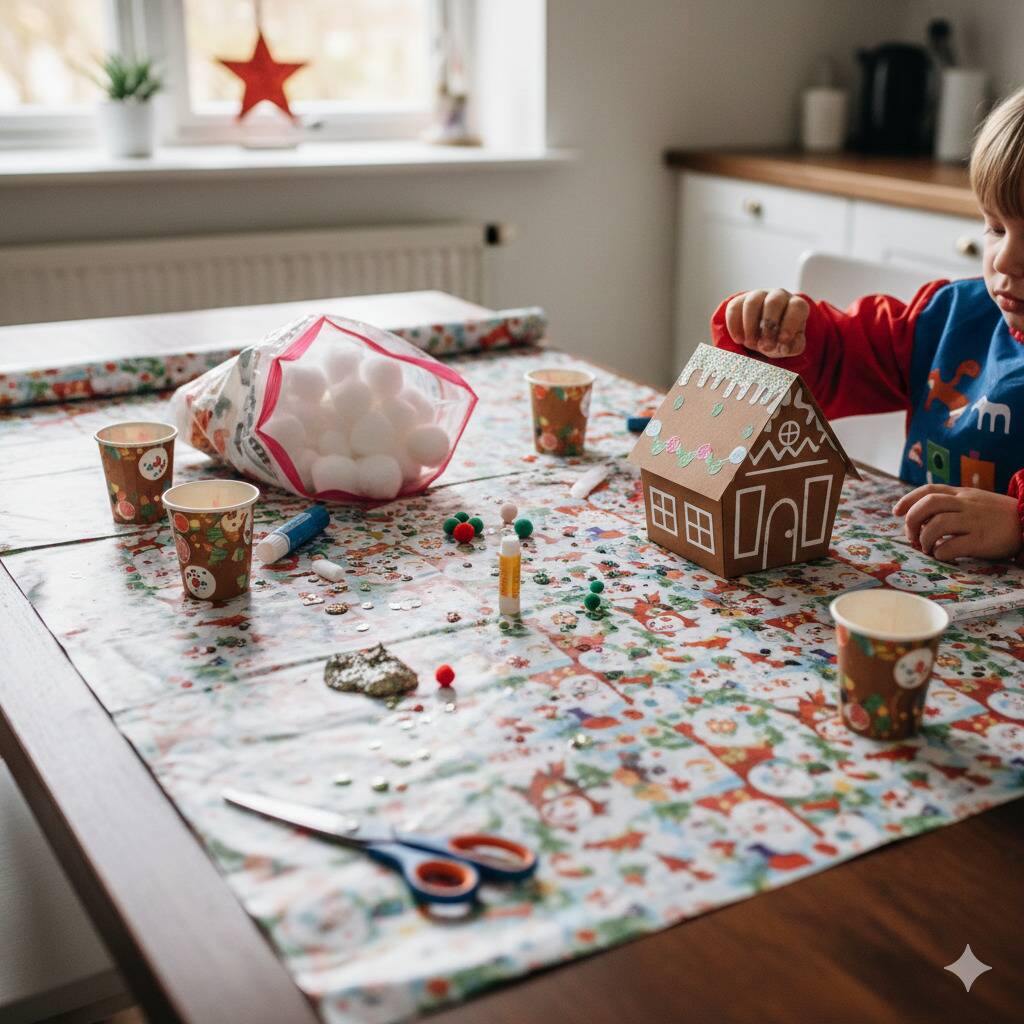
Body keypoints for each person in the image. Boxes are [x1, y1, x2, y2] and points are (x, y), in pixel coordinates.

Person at [710, 87, 1024, 564]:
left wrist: (1017, 523)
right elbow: (840, 356)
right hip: (922, 588)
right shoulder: (948, 318)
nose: (1005, 258)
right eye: (996, 227)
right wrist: (785, 333)